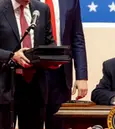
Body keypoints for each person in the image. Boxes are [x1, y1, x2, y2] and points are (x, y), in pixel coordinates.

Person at [0, 0, 55, 129]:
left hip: (35, 85)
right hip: (5, 84)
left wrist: (53, 57)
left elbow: (49, 42)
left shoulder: (42, 9)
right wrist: (12, 56)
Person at [40, 0, 88, 129]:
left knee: (59, 123)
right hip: (35, 70)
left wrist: (81, 76)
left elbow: (77, 38)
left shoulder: (70, 1)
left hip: (61, 72)